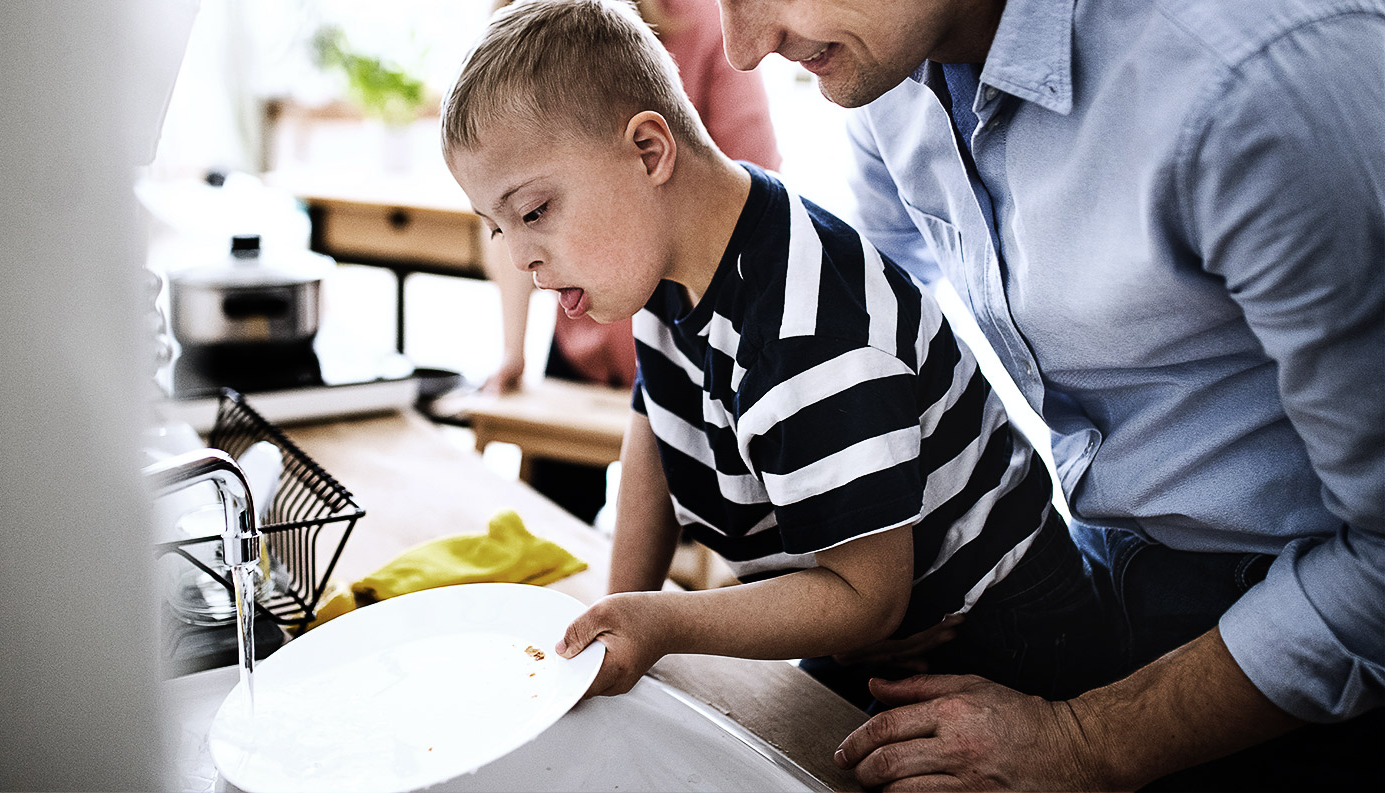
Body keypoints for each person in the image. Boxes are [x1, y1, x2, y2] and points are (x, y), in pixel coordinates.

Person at [714, 0, 1385, 789]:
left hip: (1309, 634)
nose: (742, 48)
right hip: (1093, 562)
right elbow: (877, 334)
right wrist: (888, 570)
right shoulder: (888, 65)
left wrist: (1085, 741)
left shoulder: (1262, 78)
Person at [440, 0, 1111, 708]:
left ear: (648, 151)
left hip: (998, 642)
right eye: (497, 229)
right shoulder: (672, 255)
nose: (519, 257)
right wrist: (619, 609)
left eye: (534, 212)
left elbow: (864, 597)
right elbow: (656, 422)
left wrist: (660, 620)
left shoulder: (808, 326)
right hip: (863, 620)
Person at [477, 0, 781, 526]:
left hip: (697, 334)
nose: (523, 256)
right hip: (584, 342)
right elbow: (509, 212)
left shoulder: (709, 27)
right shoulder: (521, 36)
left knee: (700, 521)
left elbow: (748, 193)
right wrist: (512, 350)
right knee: (554, 517)